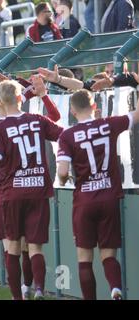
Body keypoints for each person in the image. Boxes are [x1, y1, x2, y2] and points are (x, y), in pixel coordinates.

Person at [0, 80, 63, 300]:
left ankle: (17, 296)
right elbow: (62, 133)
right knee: (35, 247)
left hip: (12, 192)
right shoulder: (37, 120)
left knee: (12, 247)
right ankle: (38, 288)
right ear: (21, 98)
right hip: (38, 189)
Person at [57, 89, 139, 300]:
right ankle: (115, 289)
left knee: (84, 258)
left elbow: (63, 172)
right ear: (94, 106)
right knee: (108, 254)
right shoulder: (109, 124)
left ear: (72, 111)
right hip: (109, 198)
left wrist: (66, 179)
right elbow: (136, 114)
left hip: (84, 201)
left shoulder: (67, 136)